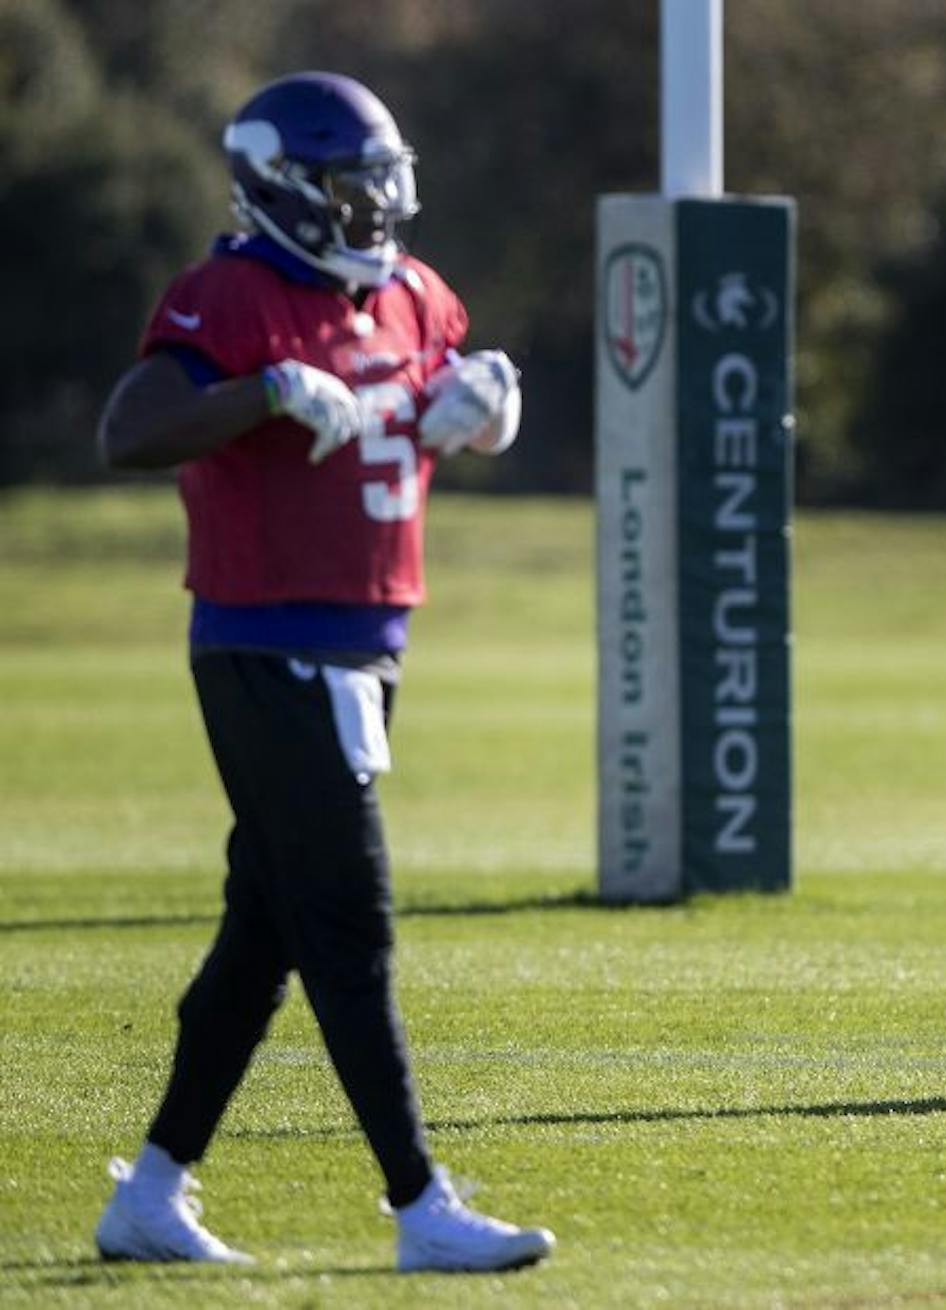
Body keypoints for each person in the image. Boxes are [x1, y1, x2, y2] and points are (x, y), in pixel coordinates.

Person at [90, 71, 553, 1271]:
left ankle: (148, 1194)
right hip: (262, 642)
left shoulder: (413, 295)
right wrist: (256, 394)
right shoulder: (231, 296)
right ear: (287, 192)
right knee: (350, 918)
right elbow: (129, 428)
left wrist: (487, 403)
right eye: (352, 191)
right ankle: (420, 1205)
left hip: (367, 644)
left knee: (268, 930)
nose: (375, 211)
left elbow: (448, 393)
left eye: (382, 187)